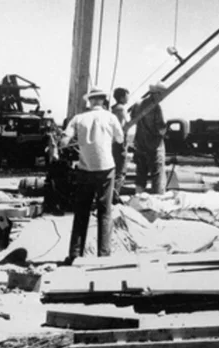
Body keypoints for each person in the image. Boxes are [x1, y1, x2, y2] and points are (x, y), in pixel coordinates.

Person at [60, 87, 124, 261]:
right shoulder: (111, 117)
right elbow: (120, 139)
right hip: (106, 168)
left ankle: (74, 254)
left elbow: (64, 140)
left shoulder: (78, 118)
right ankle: (103, 255)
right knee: (105, 212)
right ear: (103, 100)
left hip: (85, 169)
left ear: (90, 101)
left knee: (81, 212)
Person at [130, 82, 170, 195]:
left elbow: (133, 119)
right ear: (156, 93)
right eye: (162, 94)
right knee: (157, 175)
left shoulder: (137, 104)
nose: (163, 97)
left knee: (141, 173)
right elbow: (161, 128)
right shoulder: (156, 107)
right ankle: (157, 200)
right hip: (154, 147)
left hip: (140, 144)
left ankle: (138, 197)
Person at [110, 87, 130, 203]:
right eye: (127, 95)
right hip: (120, 144)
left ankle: (112, 195)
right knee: (120, 172)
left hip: (113, 144)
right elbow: (123, 127)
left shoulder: (113, 109)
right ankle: (115, 197)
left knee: (114, 170)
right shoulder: (121, 109)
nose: (128, 98)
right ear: (122, 97)